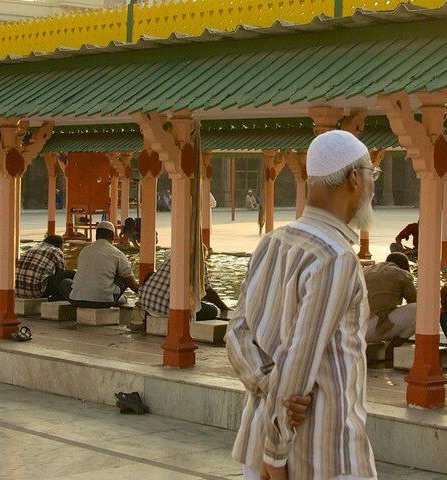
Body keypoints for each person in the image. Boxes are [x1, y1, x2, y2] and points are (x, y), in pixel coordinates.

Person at [226, 130, 379, 479]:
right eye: (372, 175)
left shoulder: (273, 241)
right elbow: (298, 361)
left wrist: (266, 384)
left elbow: (236, 334)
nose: (372, 186)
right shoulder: (335, 257)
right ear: (355, 179)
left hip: (258, 442)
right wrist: (276, 456)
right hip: (322, 458)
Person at [138, 251, 230, 323]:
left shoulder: (171, 257)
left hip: (147, 305)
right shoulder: (199, 262)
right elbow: (208, 291)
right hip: (169, 311)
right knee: (212, 311)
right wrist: (224, 308)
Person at [70, 222, 138, 308]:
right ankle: (119, 299)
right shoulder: (118, 254)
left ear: (96, 235)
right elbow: (133, 285)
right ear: (112, 236)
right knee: (125, 277)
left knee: (65, 283)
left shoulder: (84, 251)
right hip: (104, 301)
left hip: (76, 300)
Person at [363, 253, 417, 344]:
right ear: (404, 266)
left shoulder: (365, 270)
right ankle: (392, 347)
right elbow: (414, 300)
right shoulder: (403, 274)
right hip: (370, 331)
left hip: (351, 329)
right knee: (421, 311)